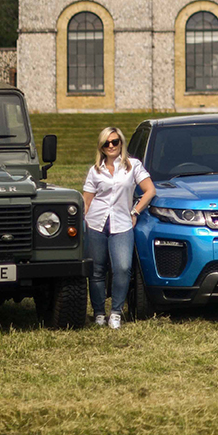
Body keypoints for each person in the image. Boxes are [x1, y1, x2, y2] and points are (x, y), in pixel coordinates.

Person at [82, 126, 155, 329]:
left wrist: (135, 211)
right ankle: (98, 313)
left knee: (122, 268)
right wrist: (82, 223)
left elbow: (149, 190)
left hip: (122, 223)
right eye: (107, 143)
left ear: (121, 143)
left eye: (115, 141)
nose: (111, 146)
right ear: (102, 147)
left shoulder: (133, 166)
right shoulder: (95, 170)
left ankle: (115, 312)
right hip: (96, 223)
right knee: (97, 270)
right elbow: (87, 201)